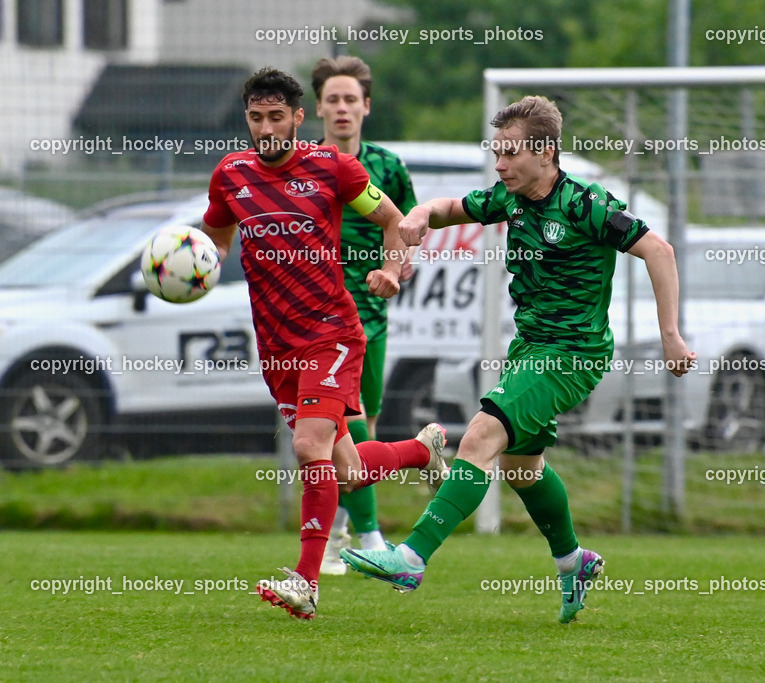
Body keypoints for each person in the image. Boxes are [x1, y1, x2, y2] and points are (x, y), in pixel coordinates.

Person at [341, 95, 696, 623]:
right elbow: (445, 209)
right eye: (496, 152)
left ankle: (409, 558)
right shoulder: (509, 201)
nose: (500, 163)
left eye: (510, 153)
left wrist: (670, 334)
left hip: (572, 353)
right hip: (530, 348)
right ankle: (574, 561)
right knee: (521, 466)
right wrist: (416, 214)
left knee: (480, 436)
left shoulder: (584, 203)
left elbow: (658, 250)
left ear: (546, 153)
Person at [201, 67, 448, 619]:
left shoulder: (332, 169)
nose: (265, 129)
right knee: (345, 466)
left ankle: (306, 580)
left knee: (309, 446)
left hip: (331, 333)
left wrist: (390, 270)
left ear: (296, 118)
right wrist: (197, 268)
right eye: (255, 118)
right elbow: (216, 238)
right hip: (276, 345)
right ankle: (420, 451)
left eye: (275, 118)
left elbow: (392, 221)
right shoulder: (230, 175)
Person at [310, 56, 419, 573]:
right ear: (318, 109)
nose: (342, 108)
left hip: (368, 320)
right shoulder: (303, 168)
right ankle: (368, 536)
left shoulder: (388, 168)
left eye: (351, 98)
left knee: (362, 425)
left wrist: (396, 269)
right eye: (333, 99)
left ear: (366, 107)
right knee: (338, 426)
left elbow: (409, 230)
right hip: (315, 319)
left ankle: (337, 533)